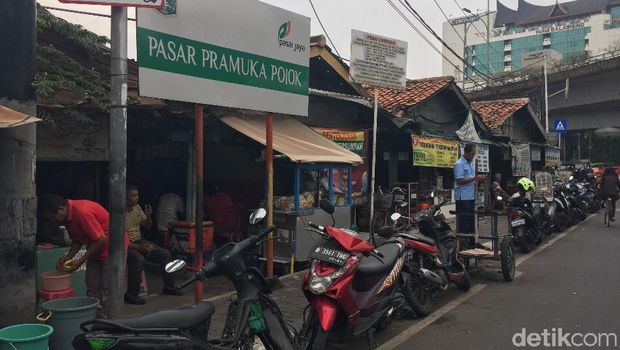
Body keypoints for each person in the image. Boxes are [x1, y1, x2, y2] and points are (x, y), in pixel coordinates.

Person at [39, 194, 126, 319]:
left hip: (112, 248)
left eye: (53, 217)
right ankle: (95, 321)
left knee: (109, 290)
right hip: (95, 248)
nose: (54, 221)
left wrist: (79, 261)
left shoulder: (82, 212)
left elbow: (101, 240)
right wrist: (68, 257)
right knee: (92, 289)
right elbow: (78, 239)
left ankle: (110, 324)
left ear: (60, 209)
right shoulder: (68, 217)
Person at [125, 186, 181, 305]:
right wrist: (139, 248)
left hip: (139, 240)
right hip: (125, 244)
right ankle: (131, 294)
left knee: (166, 254)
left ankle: (169, 287)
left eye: (137, 195)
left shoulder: (137, 207)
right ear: (125, 198)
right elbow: (120, 240)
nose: (137, 198)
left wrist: (148, 215)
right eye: (133, 196)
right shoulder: (119, 213)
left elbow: (147, 226)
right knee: (138, 259)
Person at [454, 144, 486, 242]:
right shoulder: (459, 164)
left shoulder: (470, 163)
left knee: (472, 222)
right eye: (472, 154)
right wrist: (475, 178)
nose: (473, 156)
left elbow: (471, 179)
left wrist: (479, 180)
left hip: (471, 197)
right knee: (464, 223)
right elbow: (459, 181)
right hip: (463, 198)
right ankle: (463, 245)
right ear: (466, 153)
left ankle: (473, 243)